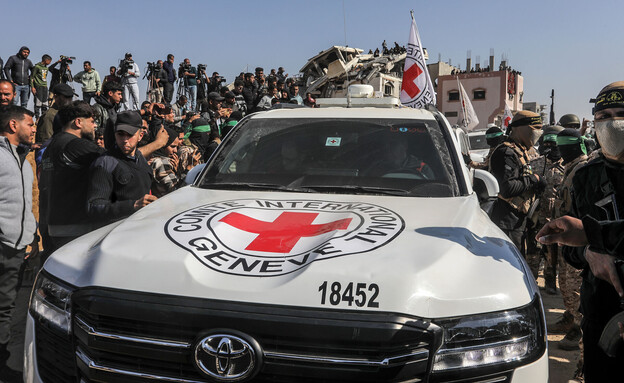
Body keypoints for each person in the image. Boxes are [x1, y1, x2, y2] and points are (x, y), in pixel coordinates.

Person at [538, 81, 624, 382]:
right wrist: (587, 250)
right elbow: (573, 250)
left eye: (620, 114)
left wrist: (595, 238)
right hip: (600, 310)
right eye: (604, 116)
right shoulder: (586, 176)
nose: (612, 123)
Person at [0, 105, 37, 382]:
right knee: (3, 308)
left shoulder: (23, 159)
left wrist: (30, 235)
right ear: (14, 125)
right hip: (4, 247)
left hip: (19, 247)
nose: (34, 128)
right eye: (30, 123)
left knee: (9, 307)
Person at [40, 101, 104, 253]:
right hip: (74, 230)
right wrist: (156, 144)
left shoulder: (51, 145)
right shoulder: (75, 145)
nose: (94, 126)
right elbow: (116, 162)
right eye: (92, 121)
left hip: (53, 227)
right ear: (78, 122)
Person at [87, 111, 156, 227]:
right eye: (120, 134)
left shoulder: (142, 161)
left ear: (140, 136)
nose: (125, 140)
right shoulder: (105, 163)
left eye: (130, 135)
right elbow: (94, 207)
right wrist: (133, 205)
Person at [488, 110, 546, 250]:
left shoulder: (520, 150)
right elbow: (507, 188)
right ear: (521, 129)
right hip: (507, 222)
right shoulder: (506, 152)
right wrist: (534, 179)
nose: (538, 132)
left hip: (518, 220)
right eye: (535, 129)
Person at [525, 125, 564, 292]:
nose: (550, 147)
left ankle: (550, 282)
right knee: (533, 250)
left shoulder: (568, 166)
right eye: (547, 143)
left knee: (552, 252)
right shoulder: (535, 163)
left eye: (554, 144)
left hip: (557, 218)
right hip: (537, 215)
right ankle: (531, 281)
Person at [148, 127, 182, 197]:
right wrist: (186, 170)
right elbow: (176, 190)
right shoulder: (162, 162)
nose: (175, 150)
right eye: (172, 146)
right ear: (163, 145)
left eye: (176, 147)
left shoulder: (151, 158)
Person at [92, 80, 123, 147]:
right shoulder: (98, 108)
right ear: (110, 93)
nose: (121, 97)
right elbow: (94, 131)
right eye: (119, 94)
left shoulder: (113, 108)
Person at [30, 54, 52, 120]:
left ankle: (44, 117)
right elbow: (32, 77)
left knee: (45, 103)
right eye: (49, 61)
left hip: (45, 87)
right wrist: (32, 87)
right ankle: (37, 118)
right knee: (38, 103)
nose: (50, 63)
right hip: (38, 86)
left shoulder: (46, 68)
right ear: (46, 60)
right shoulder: (37, 67)